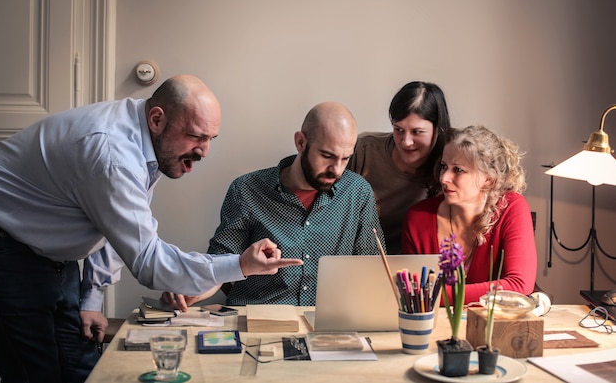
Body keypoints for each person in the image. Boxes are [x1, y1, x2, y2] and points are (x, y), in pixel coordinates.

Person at [0, 74, 303, 383]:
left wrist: (91, 299)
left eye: (210, 139)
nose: (204, 151)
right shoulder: (114, 156)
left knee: (82, 370)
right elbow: (149, 262)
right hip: (3, 246)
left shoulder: (142, 140)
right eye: (196, 136)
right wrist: (241, 265)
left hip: (54, 256)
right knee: (35, 373)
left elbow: (111, 223)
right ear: (157, 119)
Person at [162, 102, 385, 310]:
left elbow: (371, 270)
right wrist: (193, 290)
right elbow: (222, 262)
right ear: (301, 142)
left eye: (345, 158)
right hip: (255, 323)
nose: (336, 169)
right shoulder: (246, 190)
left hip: (326, 327)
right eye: (327, 155)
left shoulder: (357, 192)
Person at [401, 125, 537, 304]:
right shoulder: (418, 218)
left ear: (488, 179)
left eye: (458, 170)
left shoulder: (511, 207)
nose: (443, 178)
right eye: (444, 166)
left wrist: (436, 296)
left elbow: (519, 285)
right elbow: (411, 292)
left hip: (493, 328)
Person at [347, 81, 451, 255]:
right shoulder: (364, 150)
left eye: (417, 132)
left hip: (420, 267)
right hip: (362, 260)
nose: (406, 141)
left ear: (437, 129)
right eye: (399, 129)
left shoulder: (451, 161)